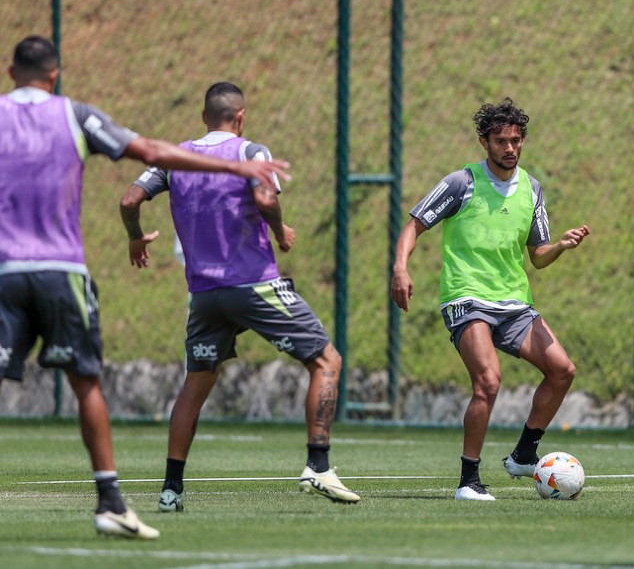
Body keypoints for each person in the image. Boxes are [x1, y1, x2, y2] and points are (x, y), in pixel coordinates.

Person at [0, 36, 289, 540]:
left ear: (9, 72)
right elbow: (153, 152)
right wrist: (234, 165)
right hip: (60, 271)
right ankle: (111, 502)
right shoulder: (76, 115)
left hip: (4, 271)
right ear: (55, 74)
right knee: (85, 381)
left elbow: (139, 187)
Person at [119, 81, 360, 512]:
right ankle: (318, 465)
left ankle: (171, 489)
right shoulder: (250, 152)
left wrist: (136, 238)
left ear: (203, 117)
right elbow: (265, 196)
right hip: (253, 284)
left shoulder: (177, 157)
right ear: (241, 116)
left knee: (195, 384)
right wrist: (280, 231)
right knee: (327, 361)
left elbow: (129, 199)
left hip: (205, 295)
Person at [391, 98, 589, 501]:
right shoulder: (460, 184)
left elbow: (538, 256)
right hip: (467, 297)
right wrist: (400, 268)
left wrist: (561, 247)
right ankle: (468, 481)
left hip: (514, 302)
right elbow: (414, 225)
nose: (510, 148)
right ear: (485, 142)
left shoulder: (532, 189)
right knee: (488, 380)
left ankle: (524, 454)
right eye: (501, 141)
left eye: (516, 140)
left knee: (562, 370)